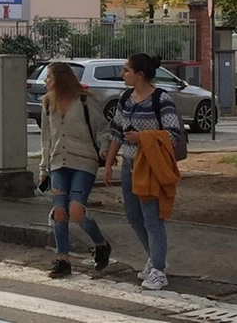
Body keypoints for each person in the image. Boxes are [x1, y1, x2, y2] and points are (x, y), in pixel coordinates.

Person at [104, 53, 184, 291]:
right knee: (134, 217)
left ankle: (159, 270)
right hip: (130, 165)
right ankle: (155, 258)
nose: (122, 74)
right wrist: (109, 162)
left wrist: (142, 138)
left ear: (140, 74)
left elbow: (173, 133)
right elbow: (116, 131)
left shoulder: (161, 99)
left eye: (126, 70)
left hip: (150, 166)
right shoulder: (126, 97)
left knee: (152, 218)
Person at [37, 62, 112, 278]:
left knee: (76, 211)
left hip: (84, 161)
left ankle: (101, 244)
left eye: (48, 77)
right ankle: (63, 260)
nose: (45, 81)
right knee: (60, 212)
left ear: (60, 78)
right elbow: (46, 139)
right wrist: (44, 167)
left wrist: (106, 149)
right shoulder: (48, 103)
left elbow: (102, 129)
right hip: (57, 162)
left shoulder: (85, 101)